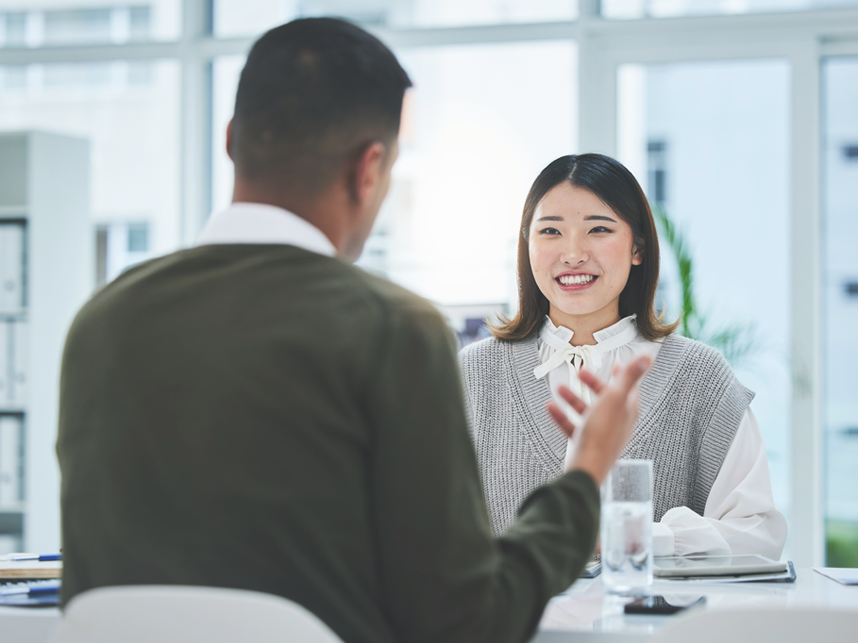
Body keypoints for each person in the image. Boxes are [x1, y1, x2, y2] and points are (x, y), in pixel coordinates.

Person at [56, 18, 652, 643]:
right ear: (369, 169)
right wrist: (585, 473)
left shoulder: (101, 321)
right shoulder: (393, 329)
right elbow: (465, 622)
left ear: (232, 141)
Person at [459, 153, 787, 560]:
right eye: (550, 231)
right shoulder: (470, 375)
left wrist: (632, 538)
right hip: (513, 625)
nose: (573, 253)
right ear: (527, 246)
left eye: (598, 229)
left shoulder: (699, 375)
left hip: (658, 625)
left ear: (638, 248)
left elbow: (758, 533)